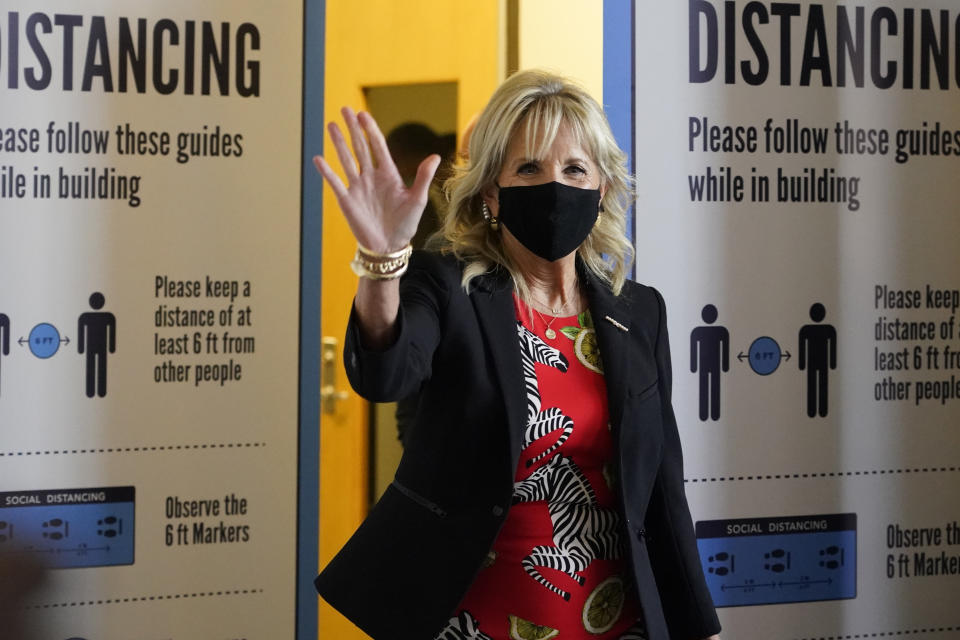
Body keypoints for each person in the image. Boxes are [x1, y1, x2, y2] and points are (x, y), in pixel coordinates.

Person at [313, 70, 721, 640]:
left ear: (601, 188)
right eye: (529, 168)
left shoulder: (639, 311)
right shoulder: (446, 287)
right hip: (475, 621)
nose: (554, 185)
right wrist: (382, 260)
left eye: (574, 168)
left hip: (616, 620)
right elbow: (386, 372)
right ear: (490, 192)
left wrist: (697, 625)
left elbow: (661, 482)